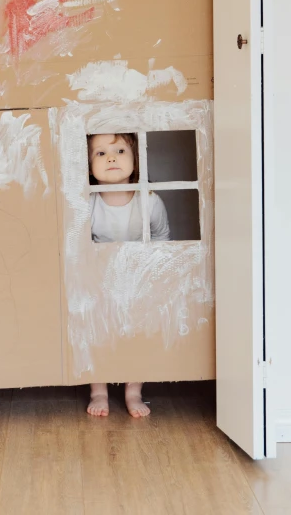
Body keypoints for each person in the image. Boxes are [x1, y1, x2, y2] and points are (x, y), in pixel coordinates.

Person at [87, 132, 170, 418]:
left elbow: (161, 235)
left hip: (138, 279)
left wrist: (152, 270)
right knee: (97, 331)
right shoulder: (89, 203)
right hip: (100, 280)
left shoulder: (149, 201)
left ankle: (134, 392)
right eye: (100, 153)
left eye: (120, 151)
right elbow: (77, 242)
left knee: (136, 332)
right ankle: (98, 391)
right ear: (89, 166)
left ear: (135, 160)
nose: (111, 157)